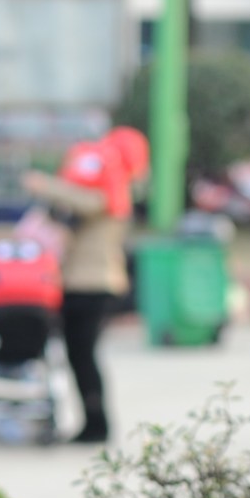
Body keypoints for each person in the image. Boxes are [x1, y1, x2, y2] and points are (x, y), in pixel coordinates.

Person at [23, 126, 148, 445]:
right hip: (77, 283)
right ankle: (92, 423)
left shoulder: (109, 190)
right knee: (79, 356)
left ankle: (97, 425)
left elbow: (89, 202)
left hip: (93, 286)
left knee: (84, 355)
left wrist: (46, 185)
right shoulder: (103, 188)